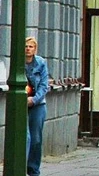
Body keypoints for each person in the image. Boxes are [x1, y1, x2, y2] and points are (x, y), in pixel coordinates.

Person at [25, 37, 49, 176]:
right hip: (21, 103)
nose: (28, 48)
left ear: (35, 49)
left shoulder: (40, 63)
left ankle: (33, 170)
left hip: (37, 104)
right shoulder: (18, 63)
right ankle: (21, 166)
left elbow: (44, 85)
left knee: (36, 139)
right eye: (26, 46)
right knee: (25, 137)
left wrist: (34, 100)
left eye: (31, 46)